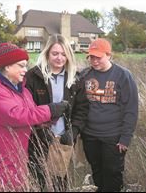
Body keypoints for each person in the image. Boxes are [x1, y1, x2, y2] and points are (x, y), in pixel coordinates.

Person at [0, 42, 69, 192]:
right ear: (7, 66)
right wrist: (50, 110)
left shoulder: (20, 90)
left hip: (14, 156)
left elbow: (31, 112)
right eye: (21, 66)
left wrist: (48, 120)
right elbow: (15, 115)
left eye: (26, 66)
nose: (25, 70)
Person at [26, 34, 89, 191]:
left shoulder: (75, 78)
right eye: (55, 53)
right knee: (37, 183)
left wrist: (72, 133)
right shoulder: (33, 76)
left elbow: (82, 110)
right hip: (38, 141)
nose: (59, 58)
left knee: (59, 185)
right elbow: (27, 109)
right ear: (47, 53)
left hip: (62, 142)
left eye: (63, 54)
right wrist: (40, 130)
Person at [81, 38, 138, 192]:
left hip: (113, 136)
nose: (94, 61)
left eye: (98, 57)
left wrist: (125, 138)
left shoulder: (123, 75)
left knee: (112, 174)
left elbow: (131, 109)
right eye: (91, 57)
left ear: (109, 55)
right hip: (90, 135)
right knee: (97, 171)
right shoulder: (85, 75)